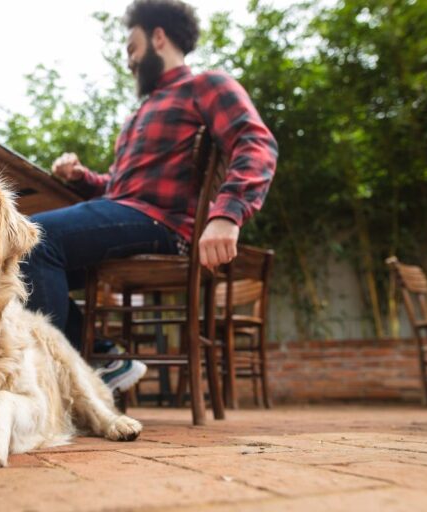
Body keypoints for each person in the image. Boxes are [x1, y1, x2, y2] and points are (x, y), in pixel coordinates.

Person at [22, 0, 278, 392]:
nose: (129, 61)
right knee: (14, 257)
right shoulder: (138, 115)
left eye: (131, 48)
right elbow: (120, 189)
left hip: (165, 223)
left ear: (158, 37)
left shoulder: (206, 85)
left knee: (34, 239)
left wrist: (227, 215)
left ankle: (62, 377)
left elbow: (256, 143)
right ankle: (100, 360)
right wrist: (81, 176)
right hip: (130, 213)